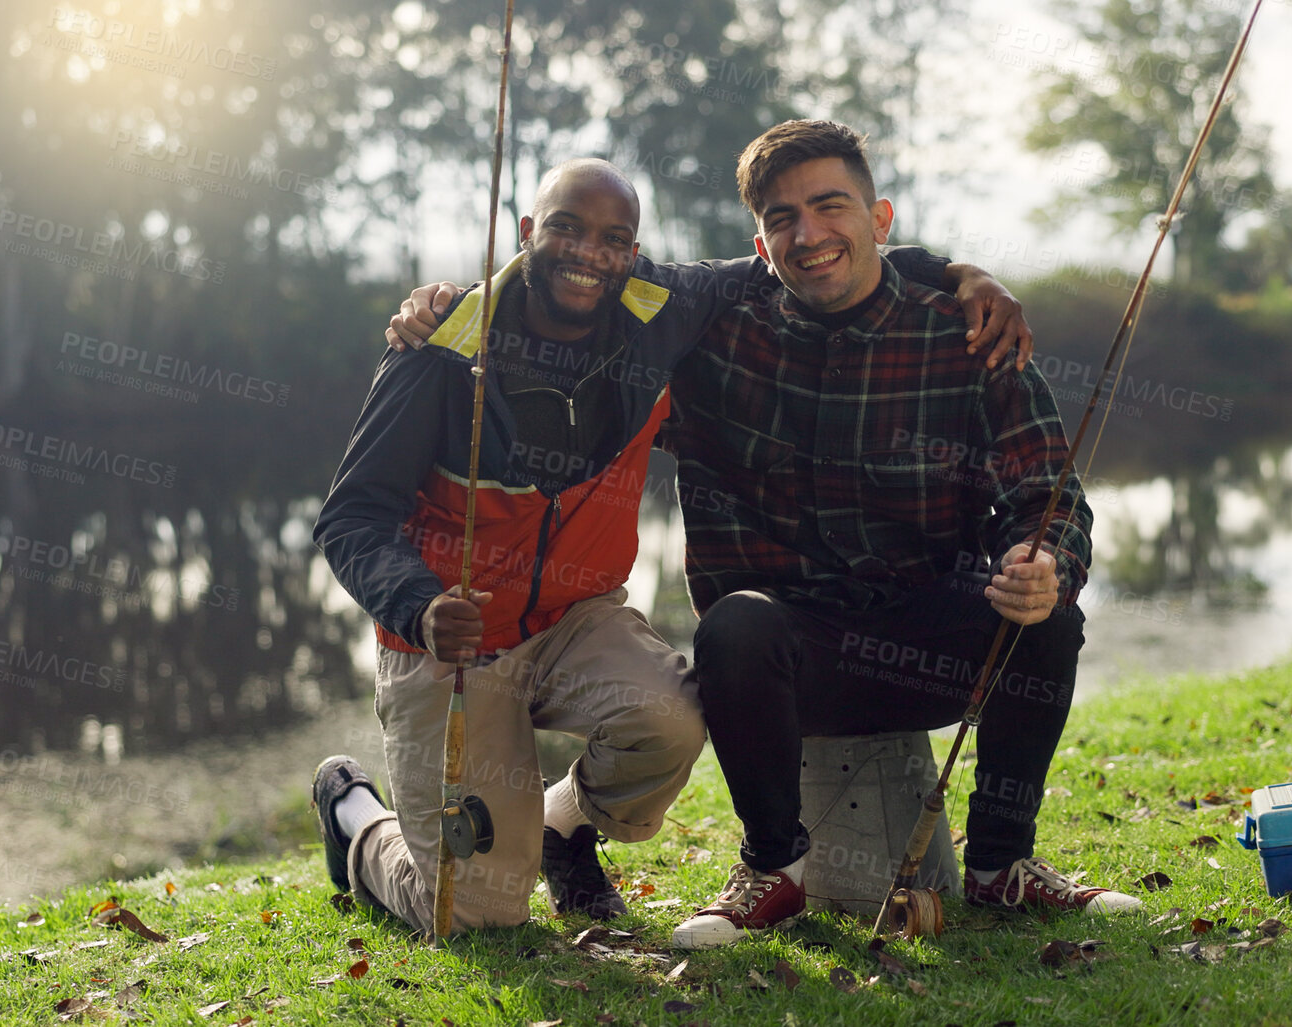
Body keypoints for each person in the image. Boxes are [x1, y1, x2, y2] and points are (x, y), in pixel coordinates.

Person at [314, 157, 1029, 937]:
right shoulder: (442, 348)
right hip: (448, 644)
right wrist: (419, 606)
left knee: (675, 718)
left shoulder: (661, 307)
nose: (589, 253)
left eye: (613, 238)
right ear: (527, 233)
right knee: (475, 915)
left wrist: (961, 273)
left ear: (633, 253)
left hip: (573, 619)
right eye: (565, 228)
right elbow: (352, 516)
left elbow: (809, 254)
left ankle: (560, 822)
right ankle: (355, 818)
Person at [659, 120, 1141, 950]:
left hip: (934, 647)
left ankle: (1001, 863)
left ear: (879, 219)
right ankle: (773, 868)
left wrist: (1041, 558)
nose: (807, 234)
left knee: (1046, 611)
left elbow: (1047, 495)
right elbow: (585, 287)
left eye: (829, 206)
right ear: (758, 240)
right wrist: (447, 312)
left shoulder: (969, 331)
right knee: (734, 620)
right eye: (782, 218)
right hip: (785, 665)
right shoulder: (710, 330)